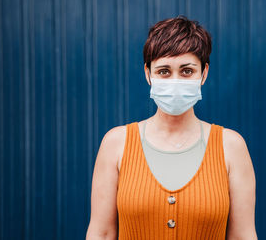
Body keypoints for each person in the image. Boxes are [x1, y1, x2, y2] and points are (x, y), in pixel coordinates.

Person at [86, 15, 257, 240]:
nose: (175, 80)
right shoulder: (116, 144)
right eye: (164, 71)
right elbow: (102, 233)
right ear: (148, 74)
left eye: (187, 71)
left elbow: (242, 236)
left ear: (204, 73)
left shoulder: (231, 146)